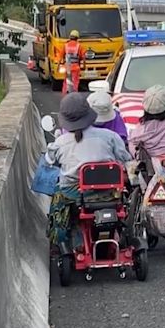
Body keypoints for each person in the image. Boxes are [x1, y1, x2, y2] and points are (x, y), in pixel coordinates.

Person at [45, 93, 132, 250]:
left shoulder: (60, 142)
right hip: (109, 192)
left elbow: (49, 161)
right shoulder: (111, 137)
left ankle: (57, 240)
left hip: (75, 194)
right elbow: (125, 159)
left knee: (57, 191)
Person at [58, 30, 86, 94]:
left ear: (70, 37)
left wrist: (58, 66)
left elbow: (61, 57)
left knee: (66, 82)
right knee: (75, 82)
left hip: (67, 67)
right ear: (77, 38)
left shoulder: (65, 45)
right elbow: (83, 57)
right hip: (76, 67)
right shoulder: (79, 46)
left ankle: (65, 95)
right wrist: (84, 66)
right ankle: (74, 95)